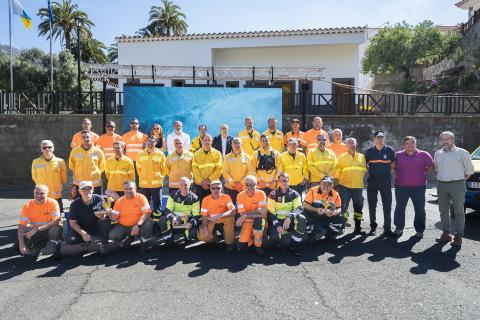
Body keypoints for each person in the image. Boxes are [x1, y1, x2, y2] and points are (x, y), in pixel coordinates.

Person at [434, 131, 474, 246]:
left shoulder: (462, 153)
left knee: (458, 211)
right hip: (441, 184)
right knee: (443, 210)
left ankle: (458, 236)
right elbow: (438, 168)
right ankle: (446, 234)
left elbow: (469, 171)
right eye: (443, 139)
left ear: (453, 140)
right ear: (440, 140)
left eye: (448, 139)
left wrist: (460, 181)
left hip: (457, 184)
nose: (445, 141)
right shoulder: (438, 153)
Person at [393, 136, 435, 238]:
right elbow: (393, 167)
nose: (410, 145)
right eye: (407, 143)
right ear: (404, 145)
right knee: (400, 208)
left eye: (412, 143)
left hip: (419, 187)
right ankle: (399, 228)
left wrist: (422, 174)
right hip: (401, 187)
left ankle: (419, 230)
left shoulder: (424, 154)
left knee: (420, 209)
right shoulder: (398, 155)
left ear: (415, 144)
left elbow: (431, 167)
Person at [15, 185, 63, 260]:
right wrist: (21, 244)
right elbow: (21, 225)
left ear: (47, 193)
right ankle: (39, 246)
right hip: (37, 232)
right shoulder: (27, 206)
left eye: (42, 193)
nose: (39, 195)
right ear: (33, 193)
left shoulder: (53, 203)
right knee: (18, 247)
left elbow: (56, 221)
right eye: (37, 193)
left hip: (49, 229)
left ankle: (56, 252)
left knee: (55, 230)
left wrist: (38, 229)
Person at [65, 181, 112, 257]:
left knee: (105, 221)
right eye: (84, 189)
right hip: (82, 228)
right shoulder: (74, 204)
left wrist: (103, 215)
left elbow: (106, 212)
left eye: (89, 188)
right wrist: (83, 233)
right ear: (79, 191)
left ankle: (104, 244)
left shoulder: (99, 198)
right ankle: (84, 243)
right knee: (70, 239)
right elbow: (72, 223)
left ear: (93, 189)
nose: (87, 191)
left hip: (96, 226)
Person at [266, 173, 306, 256]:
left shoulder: (294, 194)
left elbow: (299, 208)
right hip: (277, 221)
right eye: (281, 181)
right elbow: (271, 212)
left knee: (302, 218)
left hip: (289, 220)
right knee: (274, 236)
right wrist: (277, 225)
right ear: (278, 182)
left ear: (289, 181)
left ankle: (295, 245)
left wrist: (290, 217)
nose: (283, 183)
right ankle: (278, 242)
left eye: (285, 180)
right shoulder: (272, 194)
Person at [365, 131, 396, 236]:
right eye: (378, 137)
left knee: (387, 205)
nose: (380, 139)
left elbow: (393, 163)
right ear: (374, 139)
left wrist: (386, 172)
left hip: (385, 181)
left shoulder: (389, 150)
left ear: (384, 139)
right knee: (372, 205)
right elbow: (365, 164)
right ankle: (373, 227)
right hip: (372, 181)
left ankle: (387, 228)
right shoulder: (369, 151)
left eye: (382, 137)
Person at [109, 181, 154, 253]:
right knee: (112, 236)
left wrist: (138, 225)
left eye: (130, 188)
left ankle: (144, 242)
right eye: (126, 189)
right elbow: (114, 218)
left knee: (148, 223)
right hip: (124, 226)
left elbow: (147, 213)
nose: (128, 191)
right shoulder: (119, 201)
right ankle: (129, 238)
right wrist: (109, 213)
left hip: (139, 225)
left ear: (135, 188)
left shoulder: (141, 197)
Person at [159, 177, 200, 248]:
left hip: (187, 220)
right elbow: (167, 210)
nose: (183, 186)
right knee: (163, 220)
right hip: (175, 219)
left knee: (193, 233)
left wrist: (191, 223)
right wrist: (173, 217)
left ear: (190, 185)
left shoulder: (194, 198)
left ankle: (187, 236)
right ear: (179, 185)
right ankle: (169, 239)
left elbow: (196, 215)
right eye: (181, 184)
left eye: (186, 184)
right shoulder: (173, 195)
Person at [337, 138, 367, 233]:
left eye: (352, 142)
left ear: (356, 144)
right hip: (344, 186)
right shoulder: (341, 157)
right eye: (349, 142)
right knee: (343, 207)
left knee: (358, 207)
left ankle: (358, 228)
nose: (351, 144)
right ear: (346, 145)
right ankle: (341, 226)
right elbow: (337, 171)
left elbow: (364, 171)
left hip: (358, 186)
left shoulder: (362, 157)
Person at [197, 180, 236, 252]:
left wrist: (219, 216)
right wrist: (205, 228)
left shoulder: (226, 197)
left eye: (218, 188)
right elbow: (204, 216)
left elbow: (233, 211)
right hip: (210, 220)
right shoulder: (205, 199)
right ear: (210, 189)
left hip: (222, 218)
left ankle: (229, 243)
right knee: (203, 237)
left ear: (222, 189)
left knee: (230, 218)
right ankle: (214, 237)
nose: (216, 190)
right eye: (213, 188)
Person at [303, 176, 343, 241]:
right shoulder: (312, 190)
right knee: (303, 214)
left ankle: (330, 235)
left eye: (329, 184)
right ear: (320, 183)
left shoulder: (335, 194)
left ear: (332, 185)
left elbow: (339, 209)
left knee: (340, 218)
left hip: (328, 217)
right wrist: (316, 210)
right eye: (324, 183)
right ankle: (311, 234)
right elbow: (305, 205)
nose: (326, 186)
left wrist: (334, 213)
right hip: (314, 215)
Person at [31, 140, 67, 212]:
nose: (47, 149)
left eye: (49, 147)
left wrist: (57, 186)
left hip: (56, 194)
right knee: (41, 216)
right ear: (41, 149)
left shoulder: (60, 162)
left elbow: (63, 178)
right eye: (44, 147)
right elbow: (34, 177)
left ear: (53, 148)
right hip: (41, 195)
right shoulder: (35, 162)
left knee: (57, 217)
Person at [236, 175, 268, 256]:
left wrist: (246, 215)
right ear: (244, 185)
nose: (250, 187)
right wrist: (257, 210)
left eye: (252, 184)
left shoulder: (261, 194)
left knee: (258, 221)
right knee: (242, 247)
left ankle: (258, 246)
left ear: (256, 184)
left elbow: (263, 214)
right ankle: (251, 239)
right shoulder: (240, 195)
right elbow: (242, 214)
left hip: (258, 220)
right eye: (247, 184)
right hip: (247, 222)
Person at [69, 131, 105, 197]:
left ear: (91, 138)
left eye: (88, 137)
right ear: (81, 139)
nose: (86, 139)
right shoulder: (75, 151)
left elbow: (102, 167)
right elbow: (72, 166)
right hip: (79, 185)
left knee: (95, 205)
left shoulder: (98, 151)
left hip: (94, 185)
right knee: (79, 205)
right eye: (83, 137)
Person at [136, 135, 167, 213]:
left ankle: (156, 222)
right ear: (146, 142)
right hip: (144, 185)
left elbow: (164, 169)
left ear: (155, 142)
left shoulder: (160, 154)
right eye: (149, 141)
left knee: (157, 207)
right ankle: (146, 222)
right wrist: (143, 176)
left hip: (156, 185)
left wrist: (159, 177)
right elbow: (138, 169)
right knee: (144, 206)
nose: (150, 143)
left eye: (152, 141)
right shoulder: (140, 154)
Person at [192, 134, 223, 201]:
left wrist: (209, 180)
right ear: (202, 141)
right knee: (200, 205)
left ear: (211, 142)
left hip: (213, 185)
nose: (207, 142)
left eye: (209, 140)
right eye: (205, 140)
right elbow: (194, 169)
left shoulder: (217, 153)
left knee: (213, 205)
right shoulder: (196, 154)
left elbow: (219, 169)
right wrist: (202, 182)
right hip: (200, 185)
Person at [222, 137, 252, 205]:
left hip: (244, 187)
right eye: (234, 143)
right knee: (230, 208)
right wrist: (234, 184)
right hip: (230, 187)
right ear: (231, 145)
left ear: (241, 144)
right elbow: (225, 172)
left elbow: (250, 172)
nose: (236, 145)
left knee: (244, 207)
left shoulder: (247, 157)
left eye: (238, 143)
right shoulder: (227, 157)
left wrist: (241, 183)